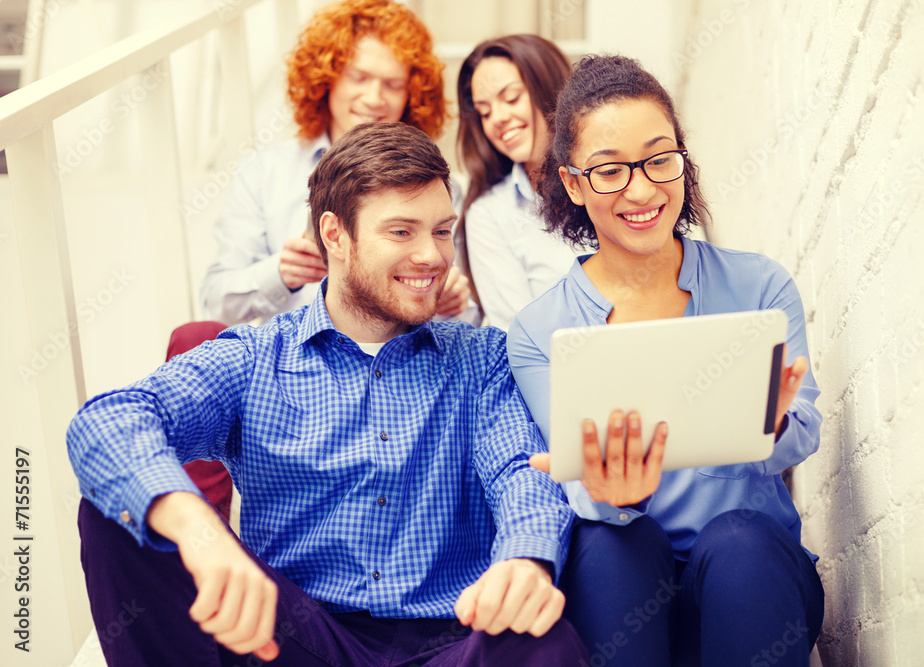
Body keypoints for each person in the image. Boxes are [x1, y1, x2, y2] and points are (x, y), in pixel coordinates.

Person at [69, 122, 587, 666]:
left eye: (441, 231)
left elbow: (521, 474)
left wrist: (525, 560)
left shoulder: (483, 358)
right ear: (336, 236)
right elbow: (110, 421)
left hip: (452, 642)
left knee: (543, 639)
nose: (432, 256)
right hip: (293, 639)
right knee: (118, 517)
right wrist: (200, 529)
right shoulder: (253, 356)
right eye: (402, 232)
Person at [506, 55, 825, 665]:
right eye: (610, 171)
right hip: (626, 593)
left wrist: (771, 423)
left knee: (738, 540)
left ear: (682, 158)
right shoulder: (539, 330)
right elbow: (580, 485)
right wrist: (615, 496)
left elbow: (803, 429)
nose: (643, 189)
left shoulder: (758, 285)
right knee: (607, 541)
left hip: (755, 586)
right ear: (572, 184)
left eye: (659, 159)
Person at [200, 0, 470, 326]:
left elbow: (467, 316)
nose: (374, 98)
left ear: (412, 94)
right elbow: (215, 305)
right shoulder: (264, 173)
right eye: (359, 77)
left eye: (393, 85)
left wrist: (448, 302)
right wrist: (281, 274)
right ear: (327, 77)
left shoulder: (440, 188)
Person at [456, 35, 582, 330]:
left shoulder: (610, 178)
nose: (498, 118)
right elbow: (519, 337)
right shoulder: (490, 214)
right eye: (484, 112)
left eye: (511, 98)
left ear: (553, 91)